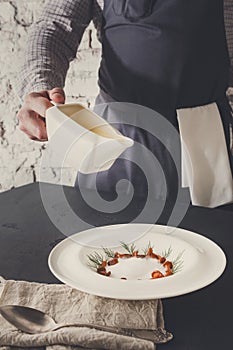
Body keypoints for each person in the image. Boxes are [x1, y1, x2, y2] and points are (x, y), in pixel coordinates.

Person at [16, 0, 233, 208]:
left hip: (205, 136)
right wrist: (39, 86)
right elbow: (54, 28)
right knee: (107, 237)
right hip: (116, 136)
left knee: (206, 237)